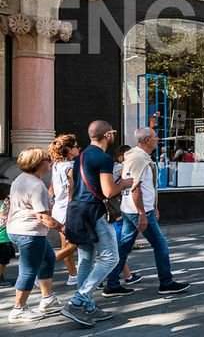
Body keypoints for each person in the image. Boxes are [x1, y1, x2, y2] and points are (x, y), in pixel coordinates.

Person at [61, 120, 133, 327]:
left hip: (77, 211)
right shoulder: (103, 158)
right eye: (113, 133)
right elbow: (109, 191)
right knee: (111, 258)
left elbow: (74, 187)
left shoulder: (80, 156)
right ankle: (78, 301)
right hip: (95, 213)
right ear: (108, 135)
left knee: (86, 260)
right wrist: (125, 183)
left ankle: (88, 307)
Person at [103, 127, 190, 297]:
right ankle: (166, 282)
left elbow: (145, 187)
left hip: (132, 210)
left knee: (124, 246)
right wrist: (143, 213)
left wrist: (154, 205)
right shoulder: (139, 159)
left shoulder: (136, 156)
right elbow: (135, 188)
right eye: (155, 137)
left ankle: (112, 284)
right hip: (138, 211)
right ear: (147, 140)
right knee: (160, 244)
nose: (158, 139)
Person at [6, 148, 64, 323]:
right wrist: (63, 228)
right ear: (38, 163)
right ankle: (19, 309)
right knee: (28, 271)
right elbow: (43, 216)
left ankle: (48, 299)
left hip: (19, 229)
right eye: (48, 159)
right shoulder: (36, 185)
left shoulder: (20, 179)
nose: (51, 162)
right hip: (29, 232)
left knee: (47, 260)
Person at [48, 134, 79, 286]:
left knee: (66, 245)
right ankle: (43, 267)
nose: (78, 148)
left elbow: (52, 189)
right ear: (68, 149)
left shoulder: (56, 165)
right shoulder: (71, 167)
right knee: (76, 243)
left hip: (58, 210)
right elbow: (72, 193)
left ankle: (73, 275)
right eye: (75, 146)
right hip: (69, 210)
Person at [107, 145, 140, 287]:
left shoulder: (116, 166)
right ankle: (116, 277)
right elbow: (130, 180)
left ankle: (125, 275)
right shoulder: (119, 167)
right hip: (117, 208)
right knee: (119, 245)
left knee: (119, 245)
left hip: (118, 207)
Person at [0, 184, 14, 288]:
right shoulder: (5, 206)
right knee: (2, 261)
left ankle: (1, 277)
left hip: (3, 238)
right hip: (3, 239)